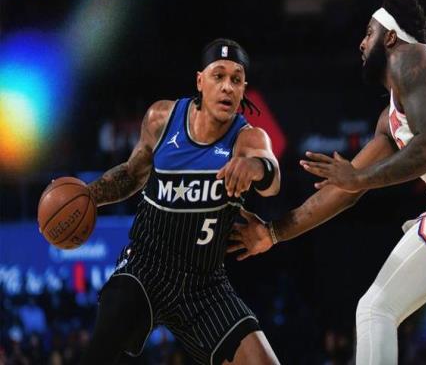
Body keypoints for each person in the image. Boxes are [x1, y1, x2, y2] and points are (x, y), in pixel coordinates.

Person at [230, 0, 426, 364]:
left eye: (369, 33)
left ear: (390, 36)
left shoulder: (411, 56)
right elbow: (345, 190)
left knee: (375, 308)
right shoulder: (389, 120)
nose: (361, 43)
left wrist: (359, 179)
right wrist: (273, 233)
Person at [81, 38, 281, 365]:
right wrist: (89, 196)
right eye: (218, 76)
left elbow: (273, 179)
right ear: (200, 81)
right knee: (102, 345)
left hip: (205, 284)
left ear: (244, 89)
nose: (227, 87)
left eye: (236, 79)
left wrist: (256, 167)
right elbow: (132, 174)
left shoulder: (249, 138)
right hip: (146, 267)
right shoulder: (162, 118)